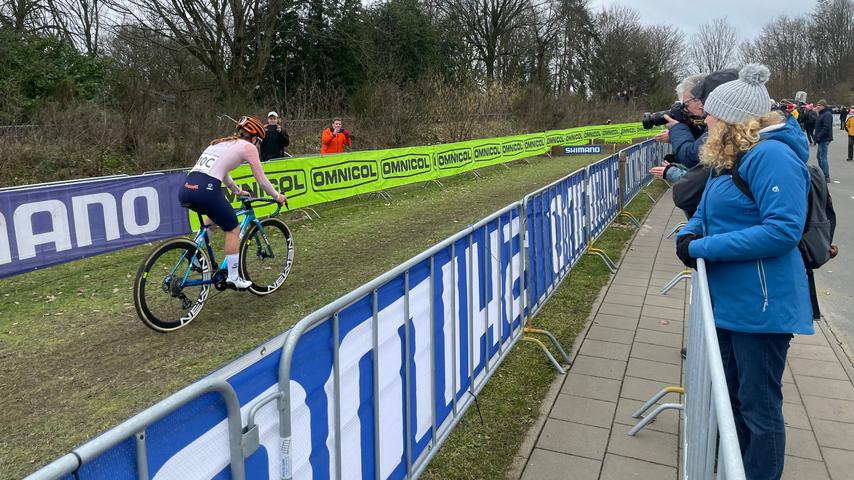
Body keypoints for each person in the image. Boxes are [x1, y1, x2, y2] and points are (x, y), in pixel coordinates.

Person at [675, 64, 812, 480]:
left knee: (758, 407)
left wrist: (702, 247)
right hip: (733, 301)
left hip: (762, 306)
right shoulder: (732, 156)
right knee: (733, 399)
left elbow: (782, 231)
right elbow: (708, 207)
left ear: (735, 120)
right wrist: (689, 232)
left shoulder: (771, 156)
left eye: (713, 115)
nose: (706, 120)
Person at [179, 115, 287, 289]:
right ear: (255, 138)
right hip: (206, 189)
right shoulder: (249, 147)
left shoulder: (218, 143)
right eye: (258, 141)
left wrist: (237, 191)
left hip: (186, 188)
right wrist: (277, 196)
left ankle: (194, 257)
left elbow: (223, 173)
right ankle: (234, 277)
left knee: (212, 219)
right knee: (233, 228)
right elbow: (261, 180)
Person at [814, 100, 834, 181]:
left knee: (822, 157)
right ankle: (823, 173)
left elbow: (826, 127)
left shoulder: (827, 114)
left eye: (820, 105)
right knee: (819, 157)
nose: (818, 106)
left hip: (824, 138)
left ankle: (826, 176)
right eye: (817, 105)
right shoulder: (822, 114)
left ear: (824, 106)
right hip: (821, 138)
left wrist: (819, 136)